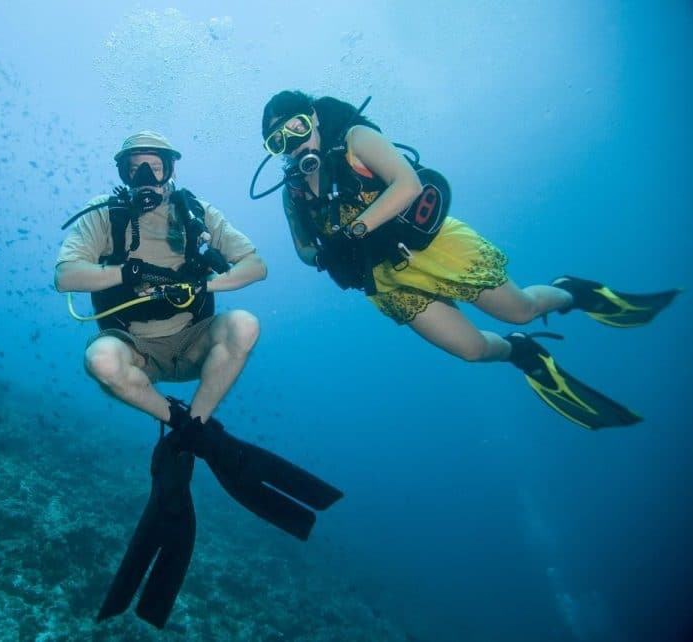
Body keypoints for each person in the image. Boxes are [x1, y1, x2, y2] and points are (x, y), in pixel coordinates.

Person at [253, 91, 679, 430]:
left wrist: (355, 231)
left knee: (521, 309)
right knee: (472, 350)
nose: (292, 142)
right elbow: (303, 249)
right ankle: (522, 354)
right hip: (386, 281)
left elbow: (408, 184)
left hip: (432, 248)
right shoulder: (294, 191)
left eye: (296, 127)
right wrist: (323, 255)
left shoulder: (356, 140)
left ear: (312, 116)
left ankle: (571, 292)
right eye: (279, 141)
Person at [56, 130, 343, 629]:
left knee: (246, 324)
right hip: (135, 348)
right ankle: (187, 428)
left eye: (155, 167)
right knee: (100, 361)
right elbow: (66, 276)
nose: (145, 178)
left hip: (192, 343)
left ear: (171, 169)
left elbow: (256, 266)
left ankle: (196, 424)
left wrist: (206, 282)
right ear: (122, 173)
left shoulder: (196, 211)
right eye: (133, 169)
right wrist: (130, 271)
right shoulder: (105, 214)